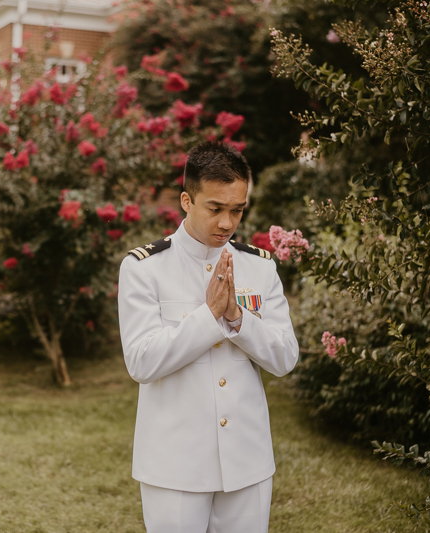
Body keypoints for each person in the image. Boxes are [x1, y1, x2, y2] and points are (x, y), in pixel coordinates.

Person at [117, 140, 299, 533]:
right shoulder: (144, 269)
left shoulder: (260, 268)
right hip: (175, 466)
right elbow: (141, 362)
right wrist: (209, 315)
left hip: (247, 463)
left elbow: (285, 358)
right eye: (215, 208)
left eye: (237, 210)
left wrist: (237, 317)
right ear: (186, 200)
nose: (227, 223)